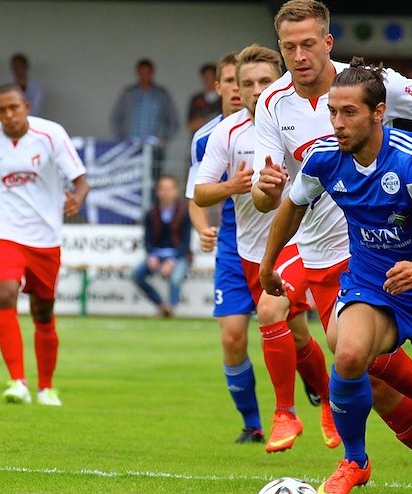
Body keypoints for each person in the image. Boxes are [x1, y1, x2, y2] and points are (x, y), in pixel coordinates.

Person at [253, 0, 412, 494]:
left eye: (307, 44)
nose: (298, 55)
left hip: (372, 254)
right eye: (288, 46)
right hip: (320, 256)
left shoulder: (371, 84)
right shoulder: (273, 105)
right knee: (373, 382)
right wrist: (263, 187)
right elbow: (271, 198)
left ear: (328, 42)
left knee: (358, 361)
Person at [195, 44, 340, 454]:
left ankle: (287, 413)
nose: (256, 90)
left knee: (276, 316)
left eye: (264, 81)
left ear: (278, 79)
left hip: (301, 241)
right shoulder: (226, 133)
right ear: (235, 89)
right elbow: (200, 192)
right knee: (294, 335)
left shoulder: (302, 117)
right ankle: (325, 400)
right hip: (251, 251)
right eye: (247, 84)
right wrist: (233, 187)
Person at [0, 84, 89, 407]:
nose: (8, 115)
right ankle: (17, 382)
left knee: (43, 311)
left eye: (14, 108)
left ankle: (46, 387)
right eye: (1, 110)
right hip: (3, 232)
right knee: (5, 293)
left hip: (45, 238)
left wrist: (76, 200)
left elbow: (81, 180)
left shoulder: (51, 135)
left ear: (26, 106)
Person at [185, 52, 268, 443]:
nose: (241, 90)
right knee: (232, 336)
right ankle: (252, 423)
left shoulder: (279, 122)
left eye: (248, 82)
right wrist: (203, 229)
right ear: (218, 86)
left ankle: (312, 396)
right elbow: (196, 194)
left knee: (292, 330)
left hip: (283, 242)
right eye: (234, 82)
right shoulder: (208, 137)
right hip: (235, 245)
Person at [131, 174, 192, 318]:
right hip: (157, 255)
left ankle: (170, 307)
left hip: (179, 255)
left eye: (170, 189)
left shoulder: (185, 213)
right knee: (136, 275)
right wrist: (152, 256)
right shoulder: (151, 213)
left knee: (176, 277)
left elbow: (185, 244)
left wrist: (172, 261)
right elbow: (147, 241)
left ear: (176, 191)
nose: (166, 192)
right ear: (158, 192)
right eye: (163, 189)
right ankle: (160, 304)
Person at [110, 58, 179, 181]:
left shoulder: (161, 95)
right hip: (131, 147)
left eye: (147, 73)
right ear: (137, 73)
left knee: (154, 181)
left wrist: (164, 139)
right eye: (142, 73)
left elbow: (173, 120)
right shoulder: (128, 94)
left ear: (152, 73)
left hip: (154, 148)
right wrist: (122, 140)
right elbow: (116, 117)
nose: (144, 76)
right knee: (130, 179)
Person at [186, 63, 221, 134]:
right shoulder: (196, 99)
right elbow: (190, 125)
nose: (208, 80)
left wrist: (206, 122)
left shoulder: (223, 99)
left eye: (211, 77)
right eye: (206, 77)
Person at [10, 53, 44, 117]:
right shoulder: (8, 88)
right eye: (14, 67)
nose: (17, 70)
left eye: (19, 66)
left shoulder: (36, 89)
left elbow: (36, 109)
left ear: (26, 67)